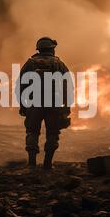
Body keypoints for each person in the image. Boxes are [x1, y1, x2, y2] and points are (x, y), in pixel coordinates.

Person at [16, 37, 73, 170]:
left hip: (34, 103)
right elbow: (68, 87)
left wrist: (23, 105)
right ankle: (47, 164)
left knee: (32, 132)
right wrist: (66, 106)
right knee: (53, 133)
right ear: (52, 49)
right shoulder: (59, 64)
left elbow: (20, 86)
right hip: (54, 104)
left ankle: (31, 165)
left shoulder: (30, 64)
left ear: (39, 49)